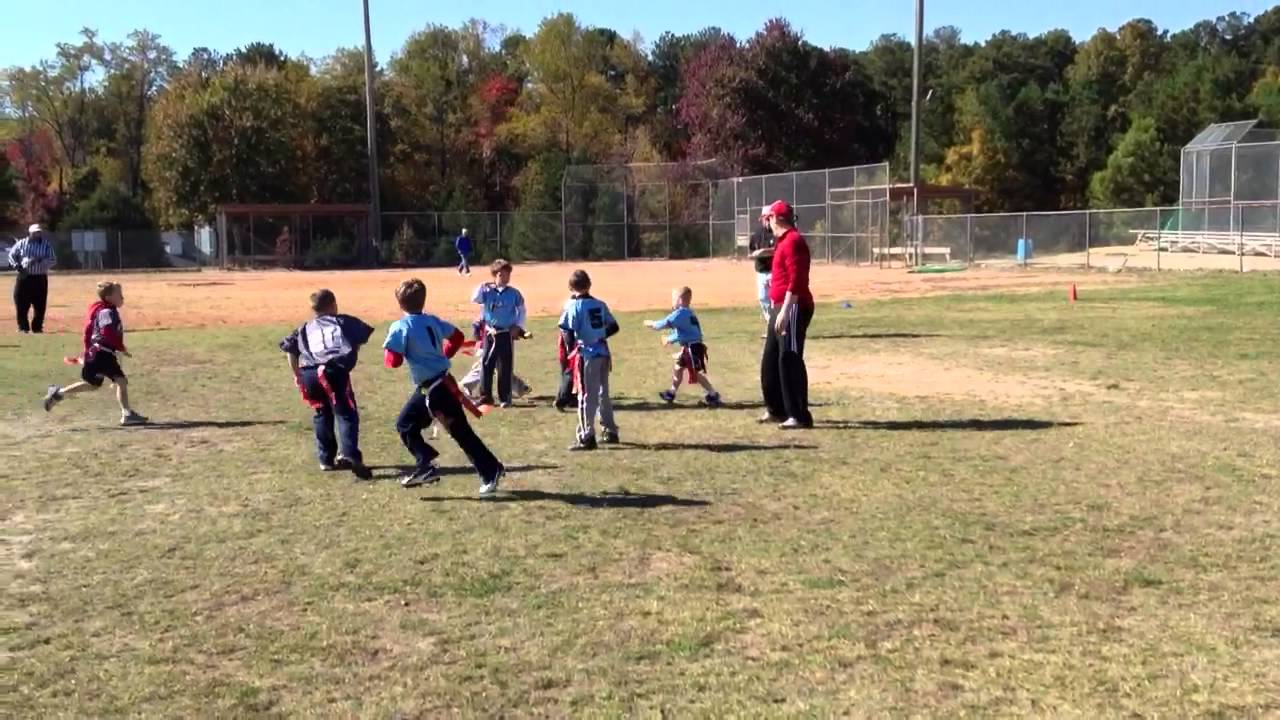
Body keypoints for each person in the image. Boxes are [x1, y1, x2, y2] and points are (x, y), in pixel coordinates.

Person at [384, 278, 505, 494]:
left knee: (449, 430)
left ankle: (488, 470)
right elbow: (457, 336)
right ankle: (427, 465)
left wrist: (391, 350)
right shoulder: (431, 320)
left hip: (434, 389)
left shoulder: (401, 327)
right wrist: (443, 355)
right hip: (440, 383)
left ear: (400, 303)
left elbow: (393, 361)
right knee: (411, 425)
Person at [279, 289, 375, 480]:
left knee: (322, 413)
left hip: (309, 373)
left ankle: (326, 459)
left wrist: (297, 374)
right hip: (333, 371)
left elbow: (290, 350)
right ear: (334, 305)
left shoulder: (304, 328)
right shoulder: (343, 321)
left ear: (313, 309)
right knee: (346, 413)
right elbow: (361, 335)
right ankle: (348, 453)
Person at [42, 281, 148, 426]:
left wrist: (118, 347)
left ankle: (58, 393)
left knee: (93, 385)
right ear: (109, 297)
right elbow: (107, 333)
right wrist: (120, 347)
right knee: (121, 381)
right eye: (119, 294)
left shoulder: (106, 310)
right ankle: (127, 415)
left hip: (98, 354)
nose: (122, 297)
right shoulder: (106, 312)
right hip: (102, 354)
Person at [759, 200, 815, 430]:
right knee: (770, 359)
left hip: (793, 306)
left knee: (789, 358)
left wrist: (785, 310)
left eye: (769, 218)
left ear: (776, 218)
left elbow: (797, 279)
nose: (767, 223)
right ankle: (777, 410)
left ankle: (798, 415)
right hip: (780, 305)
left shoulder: (793, 241)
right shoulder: (782, 242)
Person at [559, 270, 621, 451]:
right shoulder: (600, 304)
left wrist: (571, 351)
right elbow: (614, 326)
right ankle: (610, 431)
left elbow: (567, 330)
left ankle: (587, 436)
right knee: (603, 393)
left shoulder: (574, 307)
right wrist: (599, 335)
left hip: (587, 354)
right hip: (603, 352)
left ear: (571, 287)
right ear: (589, 284)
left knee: (585, 395)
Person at [644, 286, 723, 407]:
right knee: (678, 368)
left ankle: (713, 394)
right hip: (689, 347)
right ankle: (671, 392)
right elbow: (683, 333)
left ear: (680, 300)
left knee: (695, 373)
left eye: (673, 299)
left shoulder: (680, 313)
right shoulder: (688, 312)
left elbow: (664, 323)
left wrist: (652, 324)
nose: (672, 302)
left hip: (692, 348)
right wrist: (670, 339)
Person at [471, 259, 527, 408]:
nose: (505, 278)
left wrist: (518, 326)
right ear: (495, 275)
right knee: (486, 364)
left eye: (508, 274)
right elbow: (475, 299)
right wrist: (482, 286)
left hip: (506, 333)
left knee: (505, 365)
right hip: (490, 333)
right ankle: (486, 396)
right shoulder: (487, 292)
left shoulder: (514, 293)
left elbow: (522, 310)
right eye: (502, 274)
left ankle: (505, 398)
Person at [9, 223, 56, 333]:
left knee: (40, 304)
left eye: (39, 232)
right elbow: (11, 255)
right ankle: (23, 327)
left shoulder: (46, 245)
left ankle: (37, 327)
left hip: (39, 277)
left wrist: (40, 261)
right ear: (30, 233)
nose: (37, 234)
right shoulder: (21, 243)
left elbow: (53, 260)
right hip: (24, 276)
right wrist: (17, 266)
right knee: (21, 302)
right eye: (35, 232)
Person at [747, 209, 776, 337]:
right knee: (763, 298)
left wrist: (764, 252)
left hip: (774, 271)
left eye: (769, 218)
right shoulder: (757, 234)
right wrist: (753, 255)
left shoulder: (777, 233)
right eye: (765, 218)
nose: (766, 221)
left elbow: (778, 249)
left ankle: (778, 328)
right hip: (761, 271)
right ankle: (771, 328)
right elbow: (751, 251)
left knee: (775, 299)